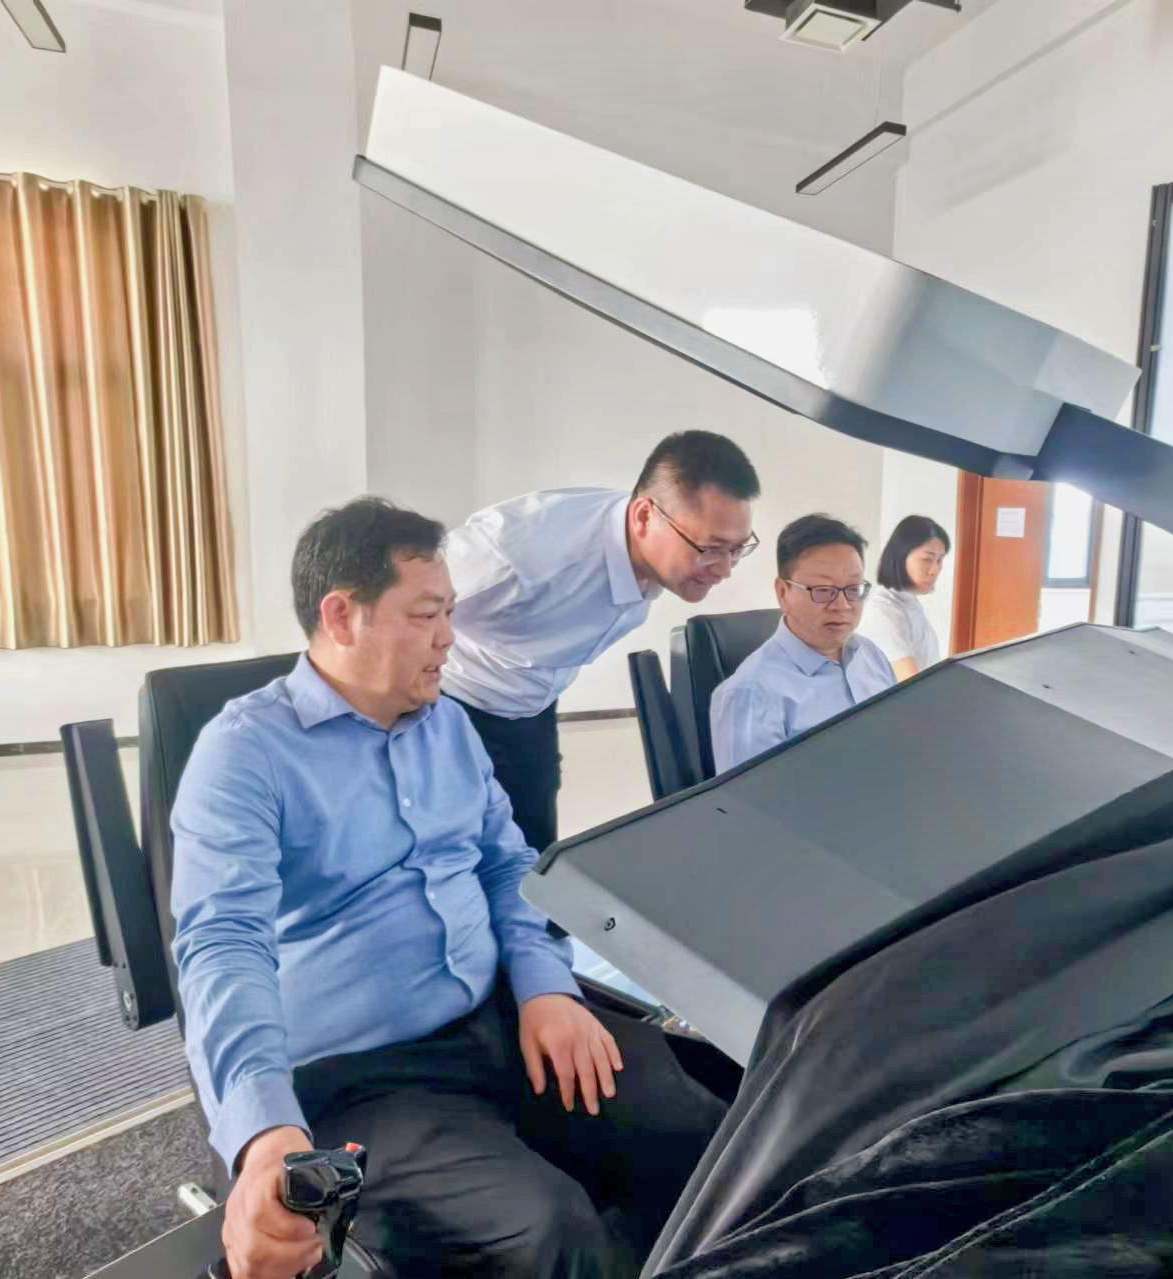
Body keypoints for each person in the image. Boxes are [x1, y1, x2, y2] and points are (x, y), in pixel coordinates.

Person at [170, 498, 725, 1279]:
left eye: (450, 614)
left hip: (496, 1018)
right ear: (342, 616)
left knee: (703, 1135)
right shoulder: (245, 753)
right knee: (549, 1230)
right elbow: (223, 946)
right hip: (365, 1075)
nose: (449, 638)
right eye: (427, 615)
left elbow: (505, 866)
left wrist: (544, 986)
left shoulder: (448, 725)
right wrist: (264, 1136)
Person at [441, 430, 761, 853]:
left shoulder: (655, 550)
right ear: (644, 517)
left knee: (533, 858)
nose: (724, 570)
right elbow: (400, 607)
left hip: (532, 710)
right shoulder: (523, 551)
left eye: (737, 549)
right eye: (711, 548)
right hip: (452, 707)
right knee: (454, 859)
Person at [708, 514, 896, 773]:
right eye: (823, 590)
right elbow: (749, 798)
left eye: (853, 589)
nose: (842, 606)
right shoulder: (750, 693)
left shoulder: (871, 655)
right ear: (783, 593)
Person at [859, 514, 950, 681]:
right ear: (900, 557)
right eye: (926, 559)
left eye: (940, 560)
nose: (935, 570)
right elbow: (909, 683)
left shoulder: (909, 601)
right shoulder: (883, 610)